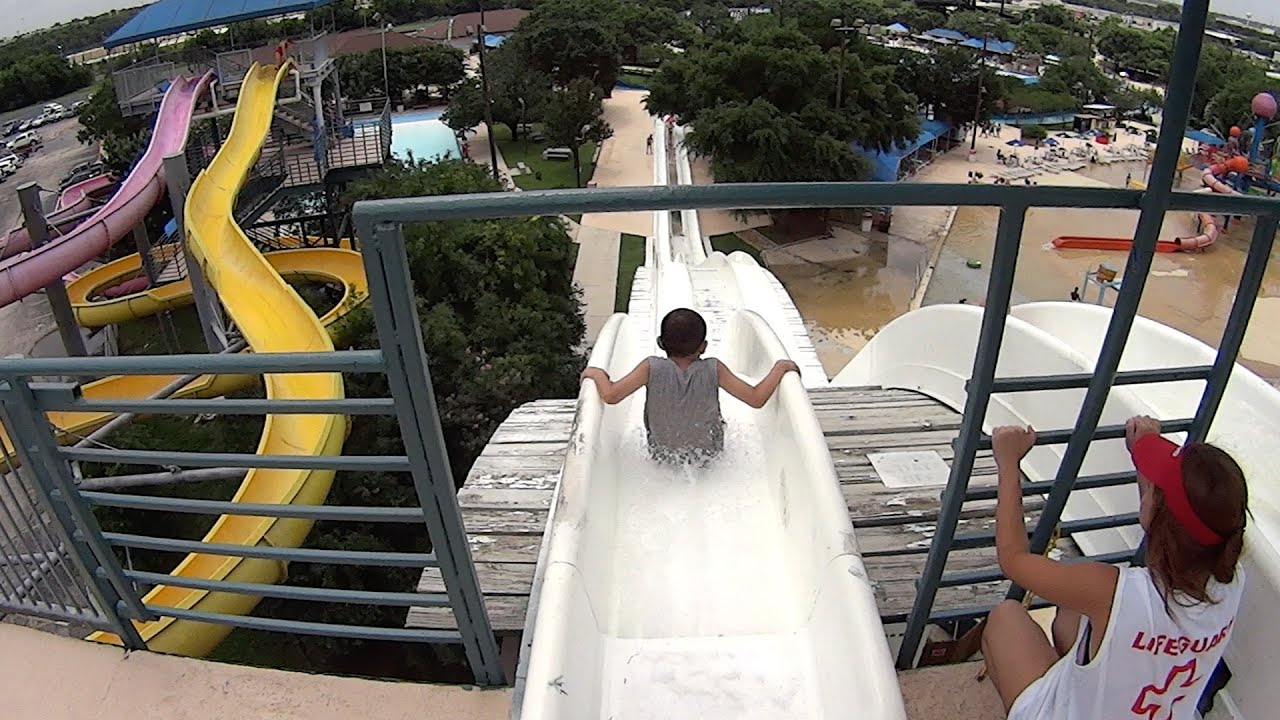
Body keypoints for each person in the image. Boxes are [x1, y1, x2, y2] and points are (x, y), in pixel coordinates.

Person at [981, 416, 1248, 720]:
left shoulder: (1108, 591)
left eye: (1154, 486)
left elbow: (1014, 560)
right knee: (1071, 616)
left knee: (1006, 618)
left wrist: (1007, 462)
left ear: (1157, 515)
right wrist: (1144, 458)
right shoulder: (1232, 581)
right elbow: (1171, 532)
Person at [580, 308, 799, 463]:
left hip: (662, 457)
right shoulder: (714, 368)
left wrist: (596, 374)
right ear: (703, 346)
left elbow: (611, 395)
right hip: (709, 456)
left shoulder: (650, 367)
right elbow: (756, 398)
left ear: (660, 343)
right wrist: (780, 368)